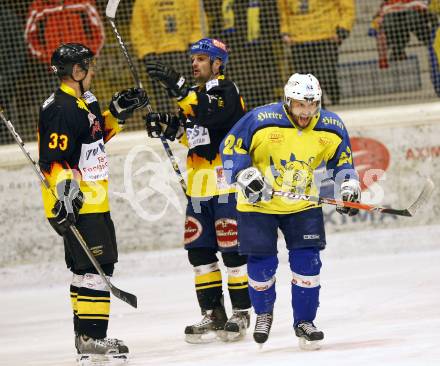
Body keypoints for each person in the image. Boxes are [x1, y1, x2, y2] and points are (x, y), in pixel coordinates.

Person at [220, 73, 360, 350]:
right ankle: (263, 313)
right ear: (288, 101)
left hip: (302, 204)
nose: (306, 112)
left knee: (308, 263)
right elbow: (230, 147)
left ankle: (304, 323)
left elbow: (342, 160)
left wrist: (348, 185)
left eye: (312, 104)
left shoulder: (331, 126)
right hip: (257, 204)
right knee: (261, 264)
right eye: (300, 105)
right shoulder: (261, 119)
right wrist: (245, 174)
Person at [38, 43, 148, 363]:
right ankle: (92, 339)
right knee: (98, 268)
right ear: (76, 71)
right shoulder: (59, 108)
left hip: (92, 199)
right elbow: (53, 161)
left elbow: (96, 138)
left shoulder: (85, 101)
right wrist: (66, 197)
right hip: (74, 202)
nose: (93, 69)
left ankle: (85, 336)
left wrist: (118, 112)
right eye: (88, 65)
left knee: (84, 268)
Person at [144, 38, 251, 343]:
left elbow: (210, 114)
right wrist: (168, 126)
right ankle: (213, 313)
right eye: (193, 59)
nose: (195, 64)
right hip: (199, 190)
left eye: (202, 58)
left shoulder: (227, 91)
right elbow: (197, 136)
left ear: (218, 63)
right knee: (200, 253)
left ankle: (241, 312)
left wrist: (177, 85)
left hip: (227, 186)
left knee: (232, 252)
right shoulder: (197, 96)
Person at [130, 0, 206, 111]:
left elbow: (199, 22)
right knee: (162, 99)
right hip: (156, 56)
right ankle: (168, 124)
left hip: (184, 52)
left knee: (189, 93)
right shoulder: (142, 2)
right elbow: (138, 29)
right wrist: (147, 52)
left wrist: (194, 46)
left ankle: (194, 122)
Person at [278, 0, 355, 106]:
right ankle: (317, 109)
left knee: (326, 74)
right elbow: (283, 11)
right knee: (306, 80)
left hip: (327, 36)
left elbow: (347, 7)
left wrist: (342, 30)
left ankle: (333, 94)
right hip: (298, 38)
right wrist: (285, 32)